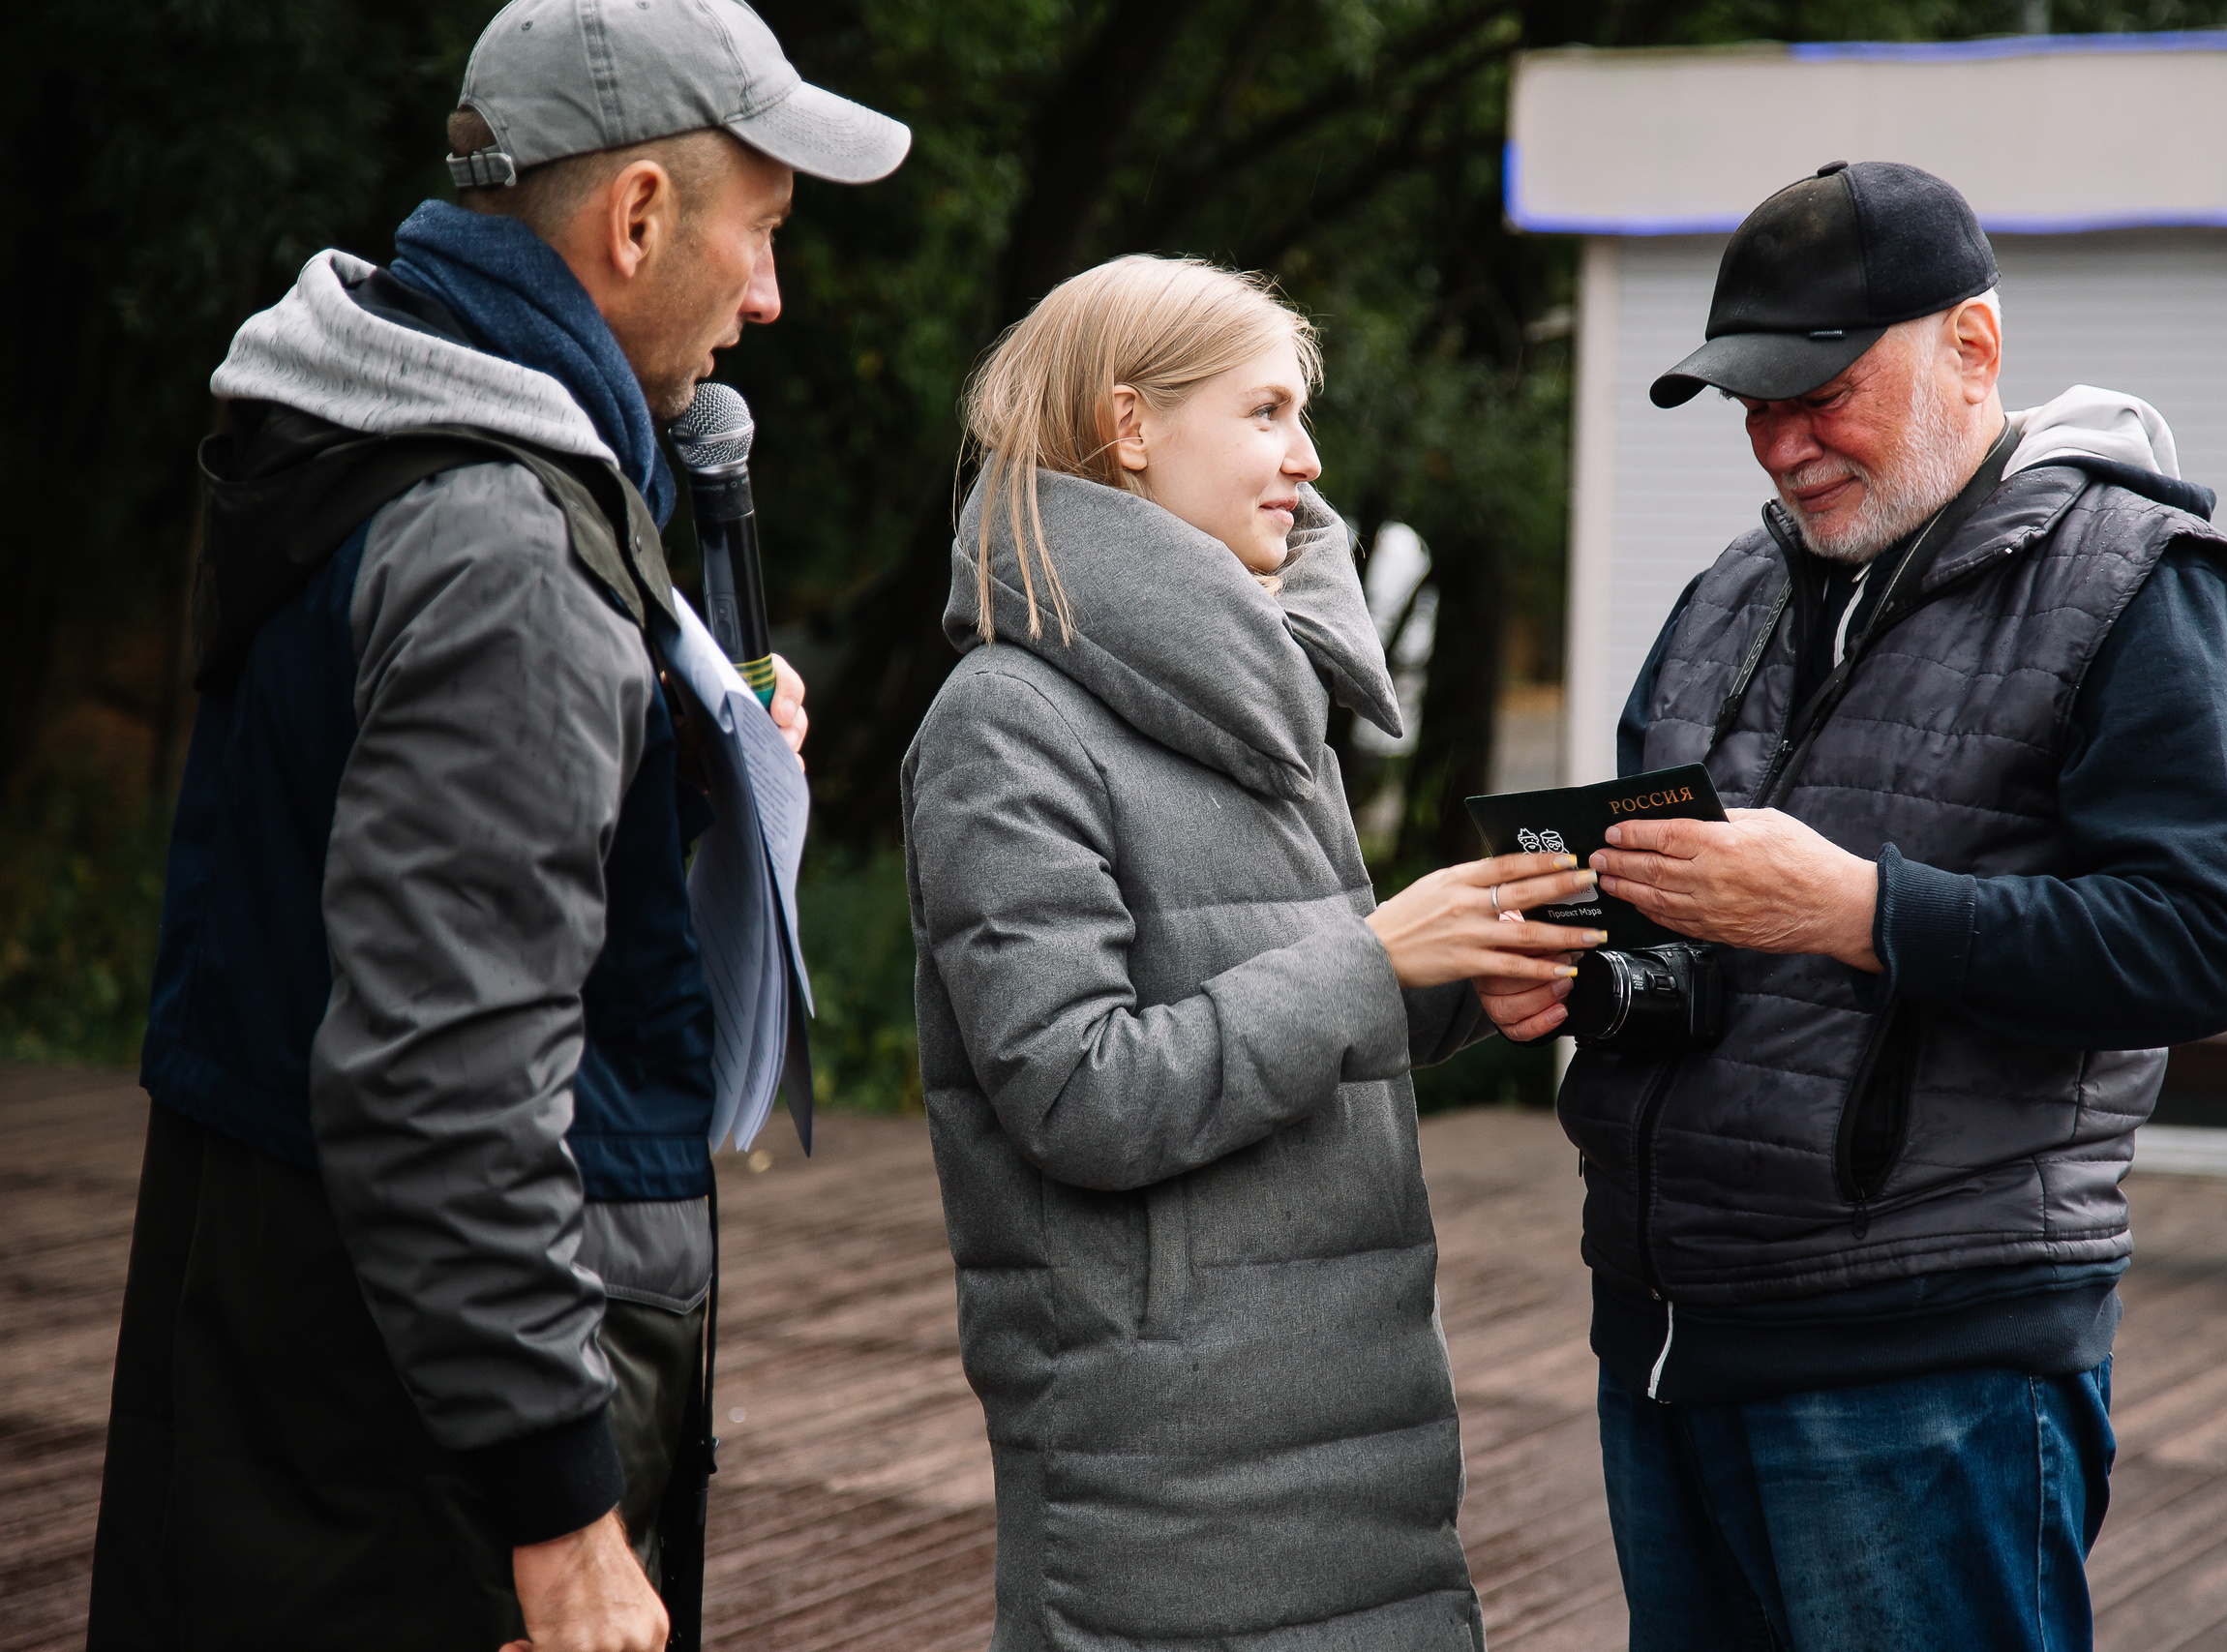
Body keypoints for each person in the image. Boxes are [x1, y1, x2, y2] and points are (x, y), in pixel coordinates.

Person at [84, 5, 907, 1648]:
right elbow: (438, 1072)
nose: (769, 297)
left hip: (296, 1379)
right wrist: (561, 1512)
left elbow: (375, 894)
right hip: (415, 1493)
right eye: (761, 232)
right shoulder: (505, 550)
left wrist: (662, 757)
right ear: (641, 217)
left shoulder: (372, 431)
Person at [1476, 162, 2227, 1649]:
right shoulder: (1731, 590)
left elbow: (2198, 946)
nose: (1779, 444)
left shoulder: (2146, 581)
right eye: (1749, 404)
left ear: (1970, 347)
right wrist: (1585, 974)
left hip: (1932, 1364)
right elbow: (1690, 933)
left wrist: (1856, 908)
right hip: (1663, 1339)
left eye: (1820, 391)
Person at [901, 254, 1603, 1649]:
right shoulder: (1003, 725)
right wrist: (1371, 957)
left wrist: (1459, 970)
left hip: (1362, 1429)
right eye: (1270, 412)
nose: (1310, 456)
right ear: (1133, 428)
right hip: (1164, 1481)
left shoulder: (1258, 692)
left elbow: (1266, 1000)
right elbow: (1080, 1093)